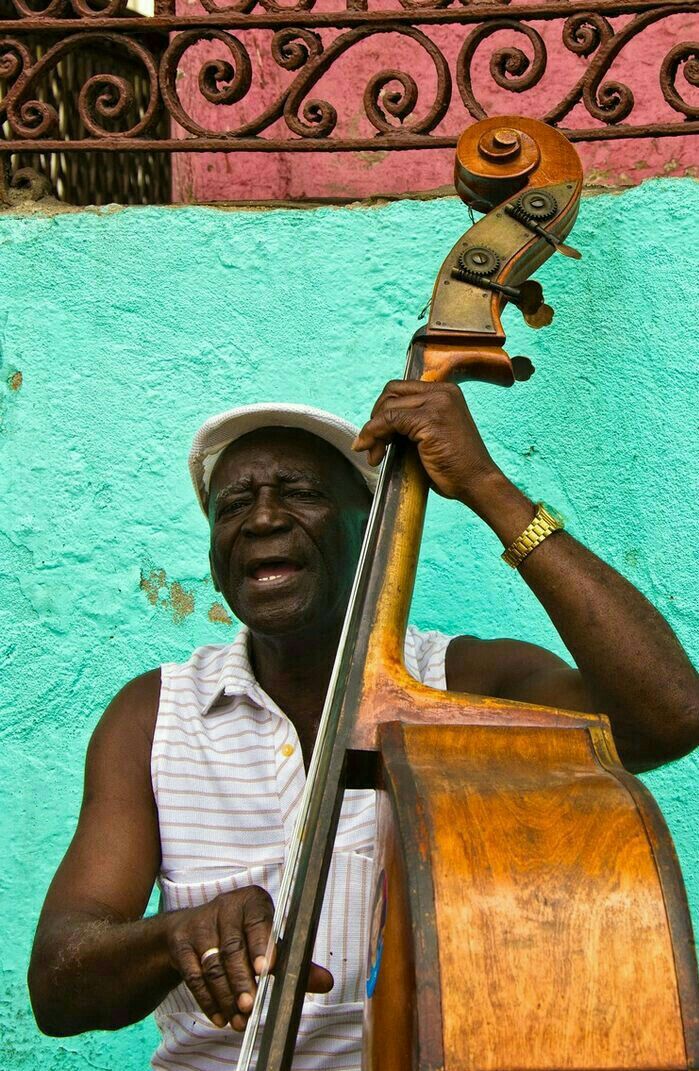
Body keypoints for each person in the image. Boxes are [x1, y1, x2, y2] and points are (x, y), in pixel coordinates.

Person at [28, 383, 699, 1071]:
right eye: (232, 504)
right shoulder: (152, 715)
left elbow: (665, 718)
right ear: (213, 557)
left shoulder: (461, 687)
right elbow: (58, 985)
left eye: (300, 493)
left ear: (372, 527)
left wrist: (484, 485)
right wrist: (176, 935)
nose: (262, 518)